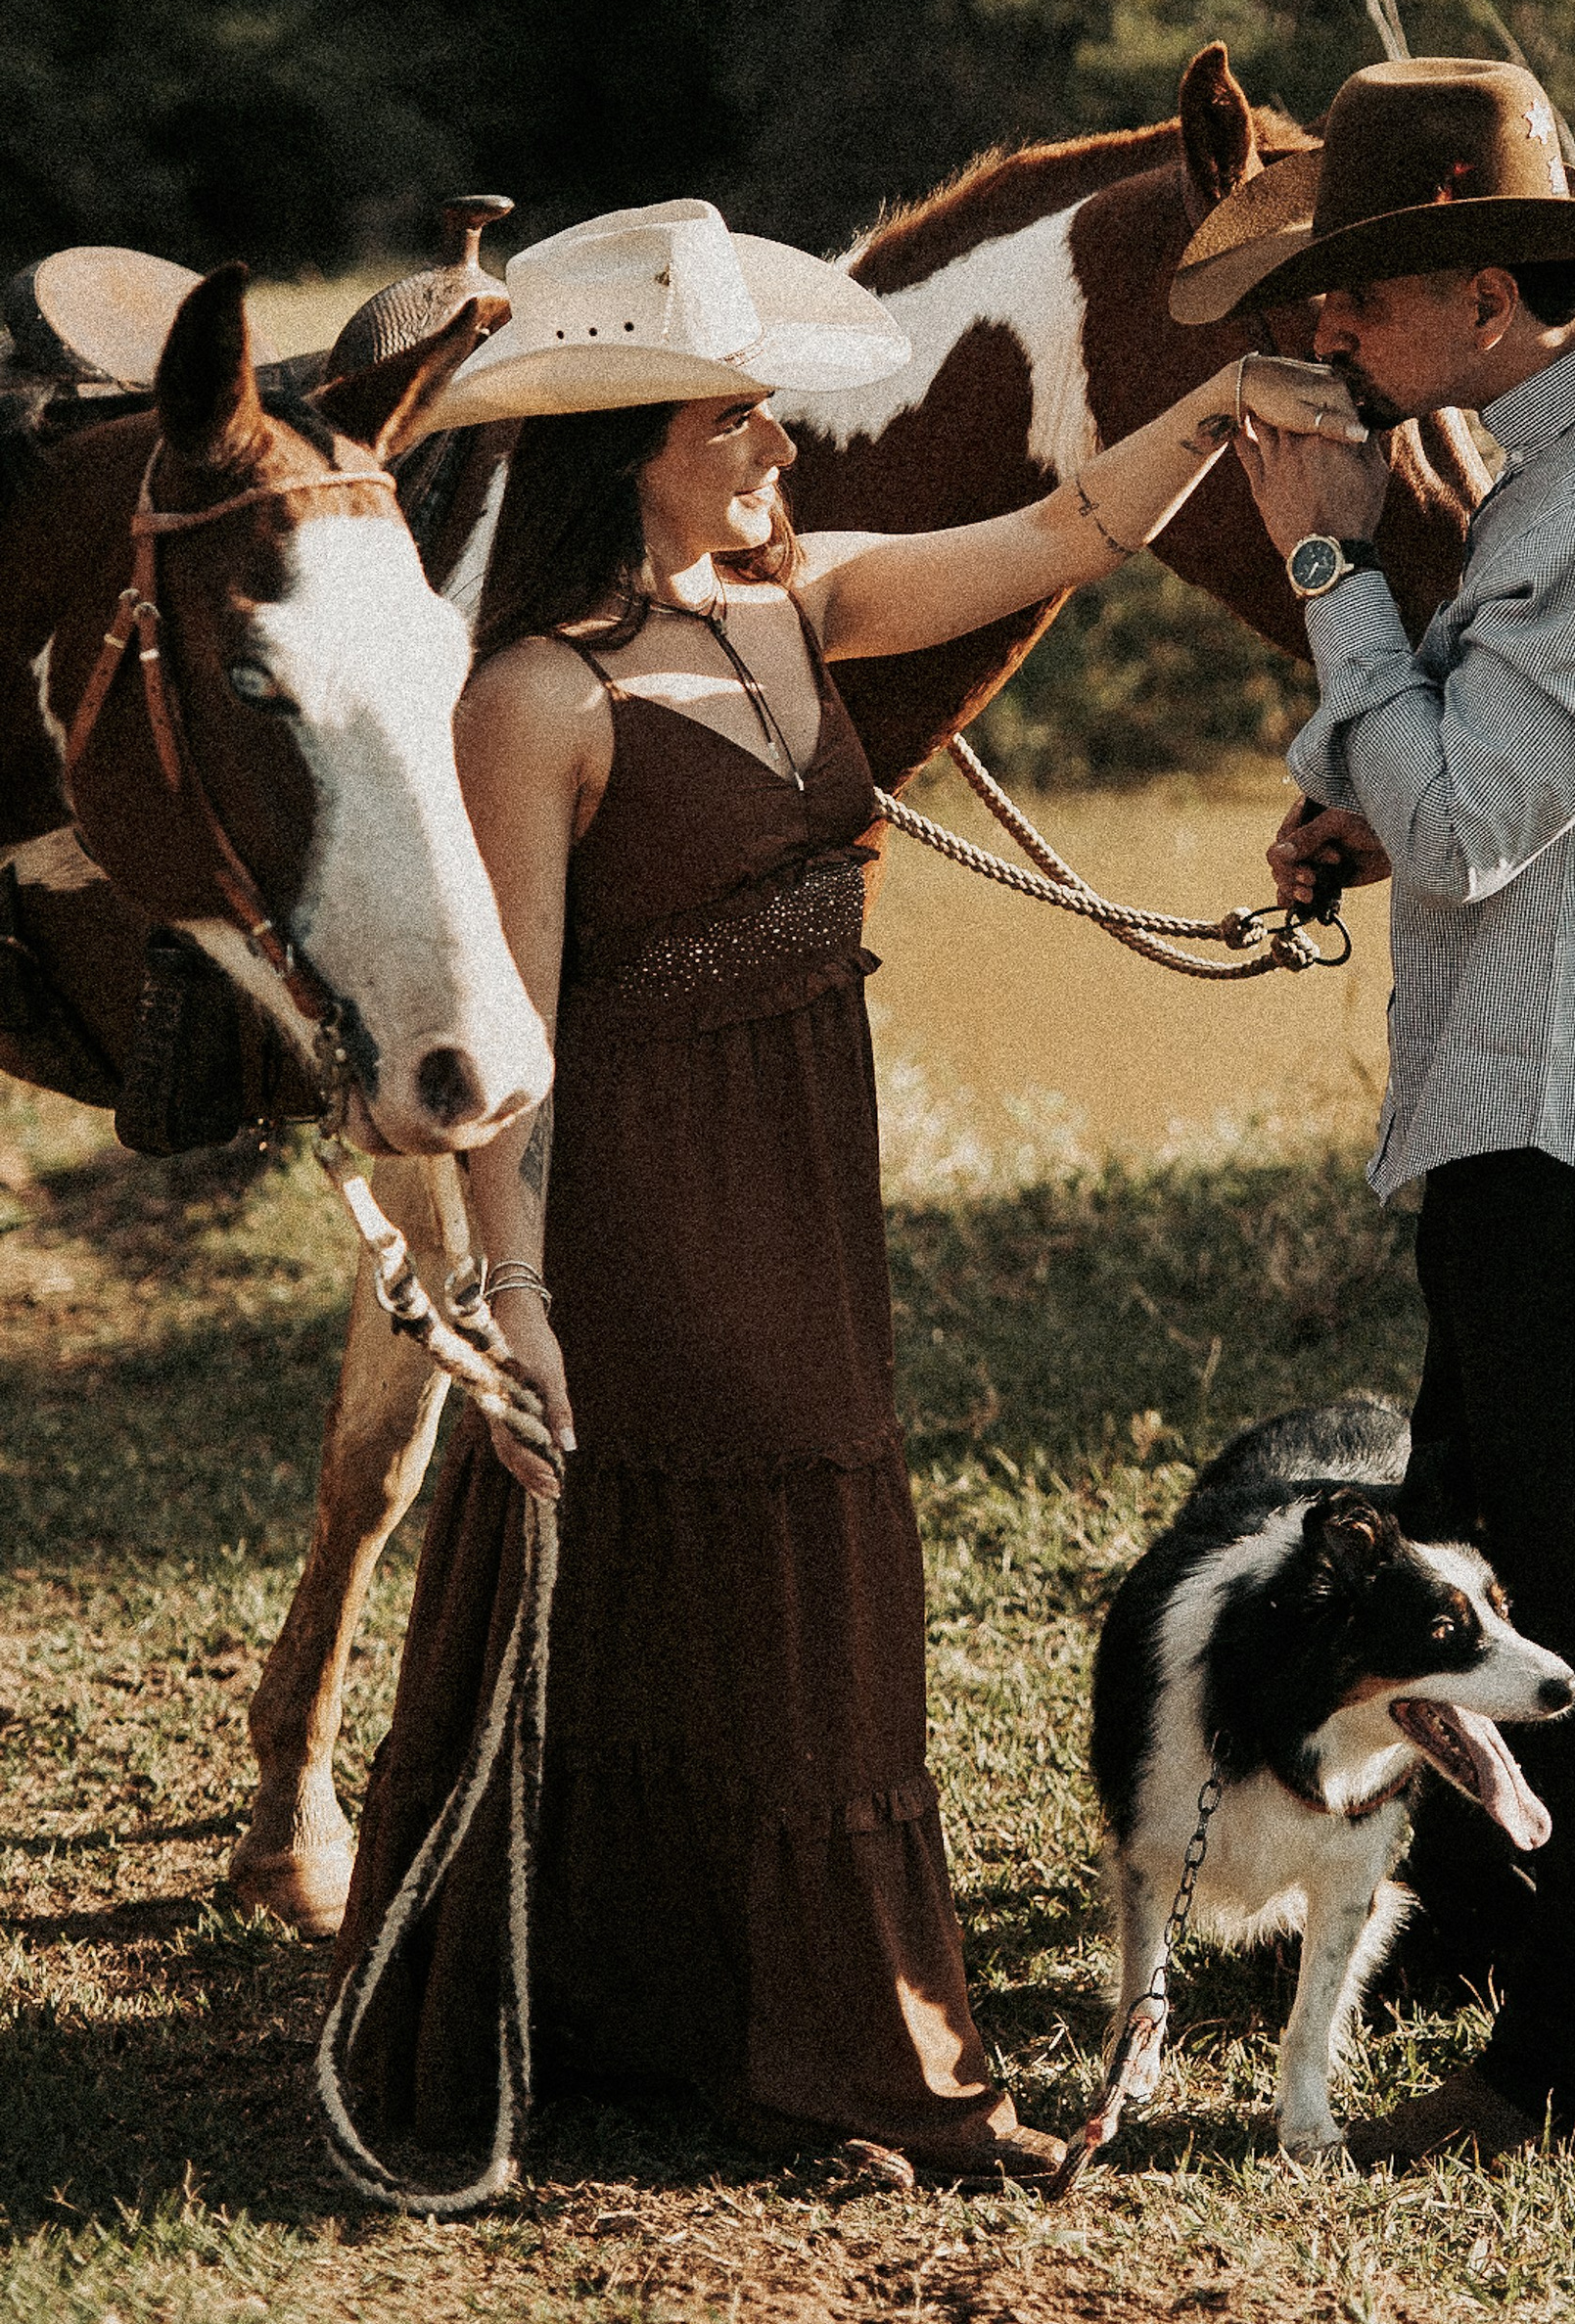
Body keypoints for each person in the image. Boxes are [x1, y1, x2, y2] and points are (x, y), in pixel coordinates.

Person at [328, 198, 1363, 2182]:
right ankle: (849, 2061)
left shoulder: (800, 601)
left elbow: (1065, 534)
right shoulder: (531, 697)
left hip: (804, 1169)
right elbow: (504, 1033)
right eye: (734, 420)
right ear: (619, 446)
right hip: (642, 1197)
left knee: (796, 1544)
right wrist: (512, 1293)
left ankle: (725, 2031)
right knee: (768, 1540)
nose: (775, 450)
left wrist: (1219, 397)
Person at [1170, 61, 1575, 2165]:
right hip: (1536, 1097)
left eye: (1356, 299)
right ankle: (1471, 1923)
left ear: (1471, 286)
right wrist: (1374, 810)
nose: (1332, 338)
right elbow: (1510, 796)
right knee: (1480, 1529)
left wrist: (1328, 572)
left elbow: (1465, 813)